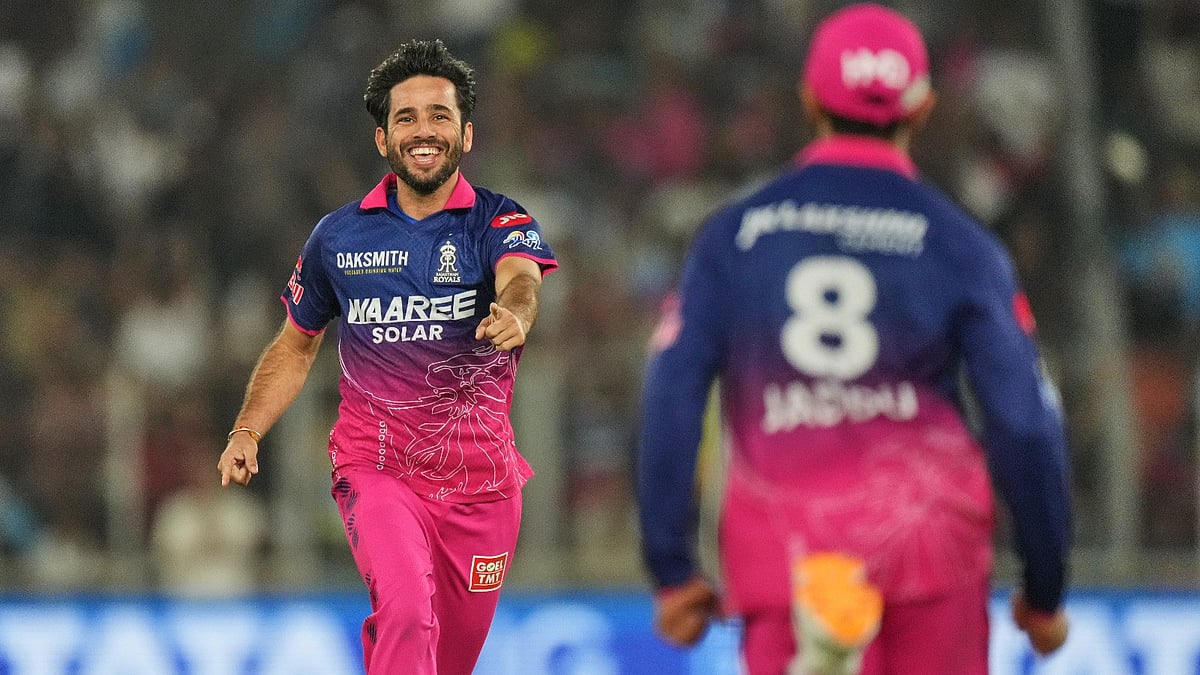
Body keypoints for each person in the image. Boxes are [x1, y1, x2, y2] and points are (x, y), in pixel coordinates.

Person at [636, 4, 1072, 674]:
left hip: (789, 559)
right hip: (934, 559)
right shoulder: (962, 245)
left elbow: (671, 398)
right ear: (921, 109)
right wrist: (1044, 587)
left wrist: (673, 567)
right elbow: (1024, 421)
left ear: (809, 101)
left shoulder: (733, 238)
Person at [216, 39, 558, 675]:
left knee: (444, 661)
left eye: (439, 115)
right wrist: (247, 428)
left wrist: (514, 312)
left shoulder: (499, 221)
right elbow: (296, 343)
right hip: (379, 470)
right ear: (382, 139)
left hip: (482, 489)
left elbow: (521, 278)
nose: (423, 131)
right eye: (406, 117)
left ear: (466, 133)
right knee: (405, 614)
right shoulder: (338, 237)